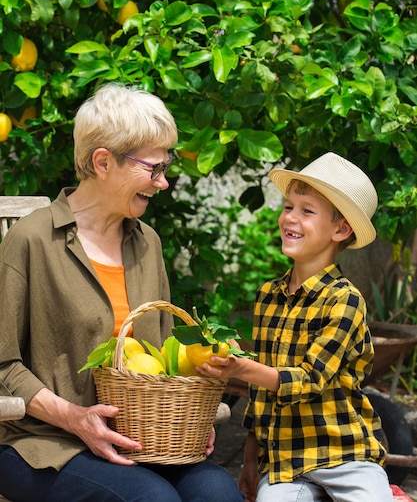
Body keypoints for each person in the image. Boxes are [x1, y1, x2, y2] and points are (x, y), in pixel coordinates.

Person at [0, 83, 244, 502]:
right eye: (153, 169)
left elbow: (168, 356)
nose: (163, 183)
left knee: (219, 494)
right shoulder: (31, 239)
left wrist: (190, 417)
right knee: (152, 500)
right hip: (43, 443)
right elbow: (3, 363)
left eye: (165, 167)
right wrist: (76, 419)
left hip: (144, 438)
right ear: (102, 162)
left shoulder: (147, 241)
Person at [198, 152, 394, 502]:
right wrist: (250, 462)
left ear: (340, 229)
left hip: (345, 455)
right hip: (286, 461)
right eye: (288, 206)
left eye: (307, 211)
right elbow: (261, 397)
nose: (289, 217)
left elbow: (309, 380)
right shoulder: (268, 296)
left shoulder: (344, 300)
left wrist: (243, 368)